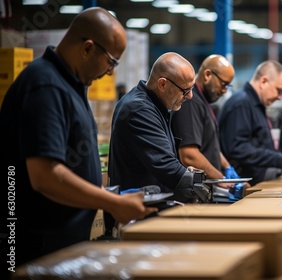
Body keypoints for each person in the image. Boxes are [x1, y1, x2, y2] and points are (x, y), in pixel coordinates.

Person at [0, 7, 156, 270]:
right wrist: (114, 203)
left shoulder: (71, 84)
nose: (110, 72)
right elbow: (45, 176)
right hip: (35, 247)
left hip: (62, 244)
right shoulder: (45, 85)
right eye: (112, 61)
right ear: (87, 48)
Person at [108, 52, 197, 203]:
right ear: (162, 84)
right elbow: (167, 166)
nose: (190, 96)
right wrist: (200, 185)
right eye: (185, 90)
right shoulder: (139, 109)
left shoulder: (156, 106)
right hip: (137, 211)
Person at [218, 60, 282, 186]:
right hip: (244, 186)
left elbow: (259, 145)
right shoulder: (241, 104)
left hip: (259, 180)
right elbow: (238, 149)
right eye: (278, 90)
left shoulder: (255, 104)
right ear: (263, 82)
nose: (280, 97)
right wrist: (278, 160)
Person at [172, 54, 240, 183]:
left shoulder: (203, 102)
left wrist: (227, 166)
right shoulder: (191, 103)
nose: (225, 90)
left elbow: (209, 144)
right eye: (223, 84)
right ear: (208, 75)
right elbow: (189, 156)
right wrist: (222, 180)